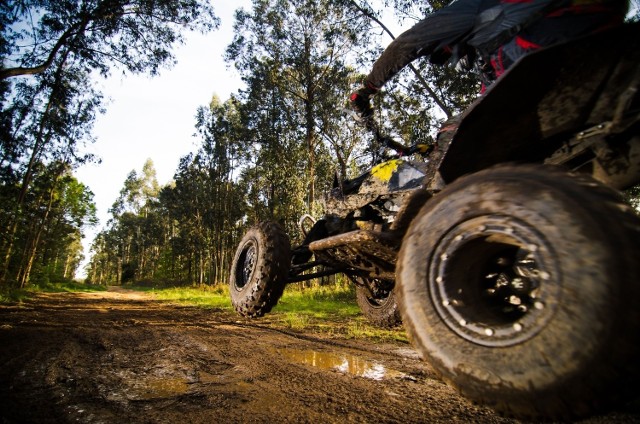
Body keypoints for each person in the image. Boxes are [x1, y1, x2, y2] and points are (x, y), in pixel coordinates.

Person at [350, 0, 629, 120]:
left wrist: (368, 88)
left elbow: (407, 44)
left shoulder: (475, 9)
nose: (454, 59)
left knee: (455, 134)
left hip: (552, 38)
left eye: (446, 53)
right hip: (599, 39)